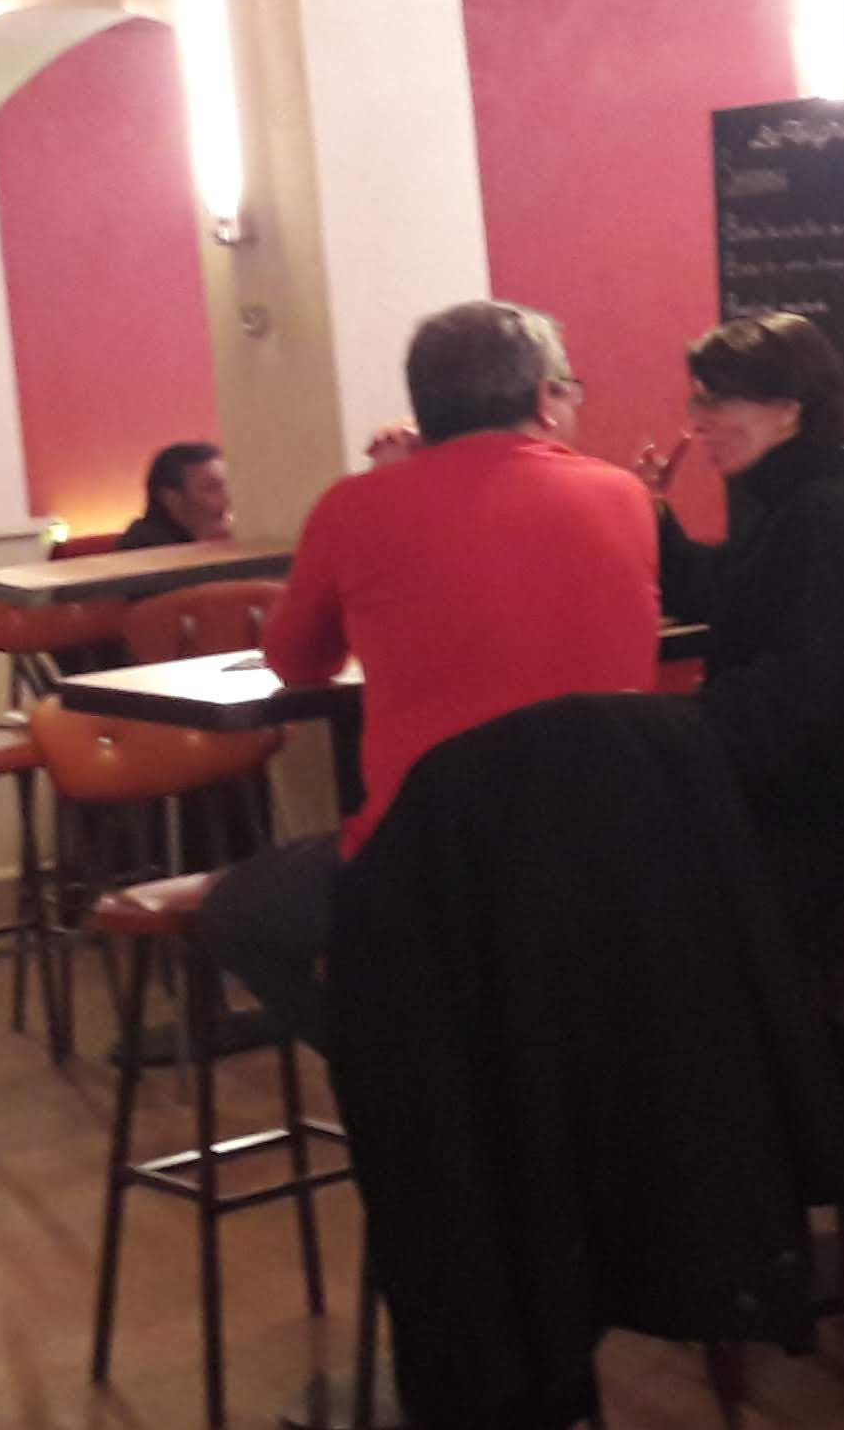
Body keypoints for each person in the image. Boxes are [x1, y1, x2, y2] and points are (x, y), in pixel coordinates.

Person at [191, 302, 661, 1046]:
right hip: (606, 843)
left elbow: (295, 661)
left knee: (236, 915)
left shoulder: (355, 508)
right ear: (544, 399)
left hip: (429, 856)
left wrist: (387, 490)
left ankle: (391, 1069)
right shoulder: (623, 495)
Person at [637, 314, 844, 908]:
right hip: (822, 801)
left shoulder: (828, 509)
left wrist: (667, 729)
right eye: (698, 399)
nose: (699, 421)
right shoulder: (788, 499)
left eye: (717, 400)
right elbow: (720, 594)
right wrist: (655, 513)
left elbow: (797, 682)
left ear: (787, 410)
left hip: (842, 818)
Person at [114, 442, 233, 549]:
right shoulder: (146, 548)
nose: (228, 498)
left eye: (229, 485)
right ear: (171, 499)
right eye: (211, 488)